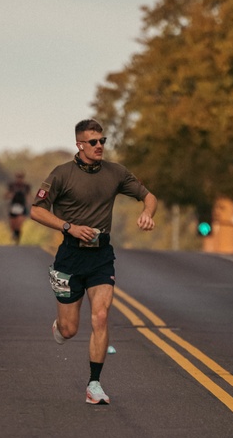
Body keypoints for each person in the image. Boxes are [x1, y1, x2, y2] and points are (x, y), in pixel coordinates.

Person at [30, 119, 157, 405]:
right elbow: (36, 211)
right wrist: (68, 227)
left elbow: (149, 196)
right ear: (79, 145)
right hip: (70, 255)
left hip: (101, 255)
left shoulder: (115, 172)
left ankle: (94, 384)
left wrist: (148, 213)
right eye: (93, 142)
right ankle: (60, 326)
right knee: (69, 330)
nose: (99, 146)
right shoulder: (62, 174)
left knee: (100, 316)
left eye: (102, 141)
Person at [5, 171, 31, 244]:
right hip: (13, 206)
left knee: (19, 223)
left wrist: (30, 204)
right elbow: (6, 195)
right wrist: (10, 195)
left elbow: (28, 196)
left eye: (21, 177)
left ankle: (17, 237)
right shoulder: (12, 186)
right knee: (13, 223)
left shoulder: (26, 187)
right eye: (18, 177)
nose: (19, 179)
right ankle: (14, 233)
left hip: (22, 206)